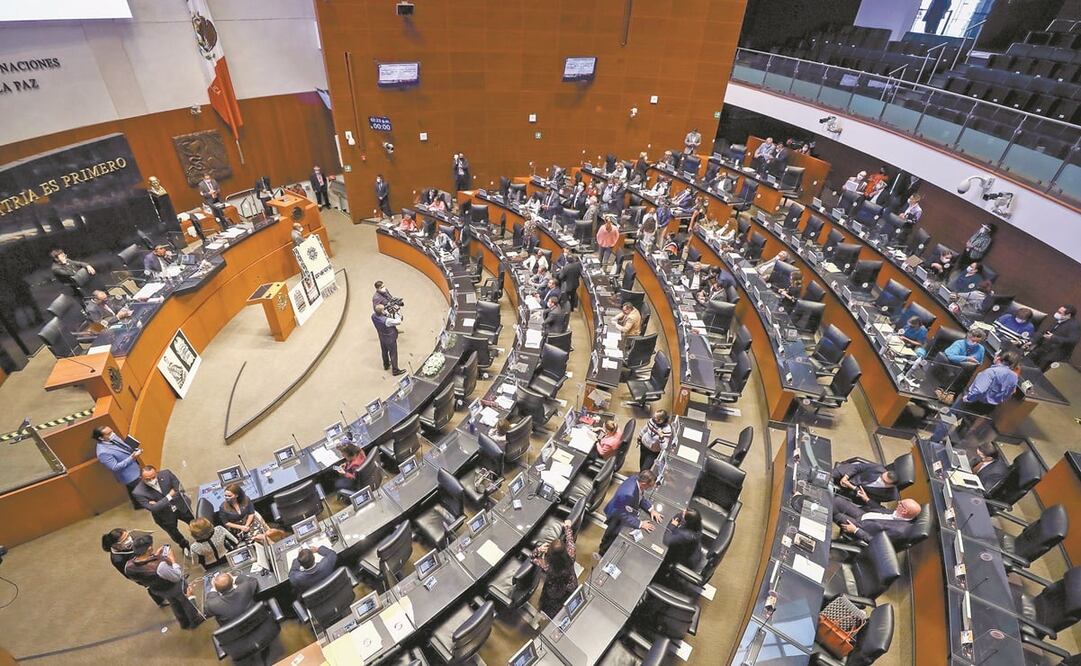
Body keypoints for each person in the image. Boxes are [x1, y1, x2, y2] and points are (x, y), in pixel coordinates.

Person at [124, 534, 203, 629]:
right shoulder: (160, 566)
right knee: (186, 601)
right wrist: (173, 560)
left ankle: (183, 622)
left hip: (157, 589)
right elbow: (176, 576)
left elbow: (142, 571)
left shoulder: (128, 566)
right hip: (174, 587)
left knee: (174, 603)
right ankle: (195, 620)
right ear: (149, 548)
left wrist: (155, 556)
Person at [133, 465, 194, 553]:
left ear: (157, 472)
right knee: (174, 534)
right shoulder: (138, 492)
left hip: (181, 506)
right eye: (148, 479)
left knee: (194, 523)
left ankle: (200, 538)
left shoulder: (166, 474)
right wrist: (169, 496)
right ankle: (185, 546)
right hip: (164, 516)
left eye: (153, 477)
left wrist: (159, 503)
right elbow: (153, 508)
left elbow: (179, 489)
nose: (152, 480)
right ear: (141, 478)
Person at [600, 470, 662, 555]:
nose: (653, 487)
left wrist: (651, 509)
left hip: (623, 508)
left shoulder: (636, 479)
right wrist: (640, 524)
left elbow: (640, 497)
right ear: (644, 484)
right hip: (616, 514)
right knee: (611, 533)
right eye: (650, 485)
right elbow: (621, 514)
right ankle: (602, 552)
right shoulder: (628, 494)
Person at [102, 528, 168, 606]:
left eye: (128, 536)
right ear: (115, 545)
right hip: (141, 573)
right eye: (124, 540)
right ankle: (160, 601)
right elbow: (128, 573)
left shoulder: (130, 542)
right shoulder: (118, 560)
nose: (129, 539)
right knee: (151, 586)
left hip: (147, 562)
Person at [531, 520, 577, 618]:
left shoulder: (546, 565)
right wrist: (567, 527)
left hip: (554, 591)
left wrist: (538, 549)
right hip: (570, 584)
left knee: (551, 606)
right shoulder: (571, 554)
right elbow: (570, 540)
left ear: (549, 553)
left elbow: (532, 558)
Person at [956, 350, 1021, 418]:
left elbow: (979, 390)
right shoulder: (1015, 377)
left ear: (998, 358)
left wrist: (968, 398)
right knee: (968, 420)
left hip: (975, 403)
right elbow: (1011, 393)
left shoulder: (991, 372)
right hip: (990, 407)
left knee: (961, 397)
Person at [833, 497, 922, 544]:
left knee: (834, 513)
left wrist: (856, 530)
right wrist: (867, 499)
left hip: (860, 527)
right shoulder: (901, 513)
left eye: (901, 503)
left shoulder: (899, 531)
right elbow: (882, 510)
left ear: (904, 511)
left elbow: (877, 541)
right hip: (864, 514)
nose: (898, 502)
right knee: (837, 500)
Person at [93, 425, 142, 509]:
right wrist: (132, 457)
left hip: (134, 466)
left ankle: (138, 505)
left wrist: (133, 450)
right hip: (128, 474)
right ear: (101, 438)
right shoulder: (102, 452)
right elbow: (115, 467)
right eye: (109, 433)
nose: (113, 434)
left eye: (112, 431)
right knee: (140, 488)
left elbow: (123, 447)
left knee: (133, 489)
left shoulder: (112, 438)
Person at [1027, 305, 1080, 371]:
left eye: (1060, 313)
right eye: (1058, 311)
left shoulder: (1074, 326)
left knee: (1036, 371)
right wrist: (1032, 340)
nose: (1057, 313)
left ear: (1068, 315)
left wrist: (1053, 338)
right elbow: (1045, 332)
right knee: (1025, 361)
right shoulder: (1059, 319)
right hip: (1043, 348)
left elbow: (1073, 341)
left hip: (1053, 355)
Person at [832, 460, 899, 508]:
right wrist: (846, 476)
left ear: (891, 485)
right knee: (829, 475)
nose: (879, 479)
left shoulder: (891, 495)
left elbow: (874, 502)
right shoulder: (879, 468)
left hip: (856, 495)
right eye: (881, 476)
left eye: (883, 481)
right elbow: (858, 467)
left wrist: (865, 498)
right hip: (852, 476)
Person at [372, 303, 405, 375]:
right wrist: (396, 313)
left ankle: (386, 365)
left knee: (384, 351)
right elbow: (398, 321)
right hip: (390, 339)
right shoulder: (387, 321)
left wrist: (386, 312)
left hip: (382, 337)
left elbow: (382, 313)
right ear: (382, 311)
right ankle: (395, 370)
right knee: (393, 354)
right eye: (384, 309)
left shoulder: (373, 316)